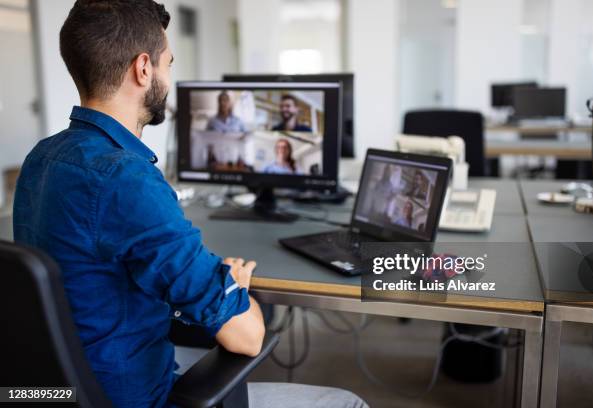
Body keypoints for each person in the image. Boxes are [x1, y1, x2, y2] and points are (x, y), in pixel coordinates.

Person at [12, 2, 367, 408]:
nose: (168, 75)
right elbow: (247, 337)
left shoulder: (41, 157)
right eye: (168, 63)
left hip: (64, 388)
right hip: (134, 394)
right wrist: (232, 287)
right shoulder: (127, 180)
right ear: (143, 68)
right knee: (348, 401)